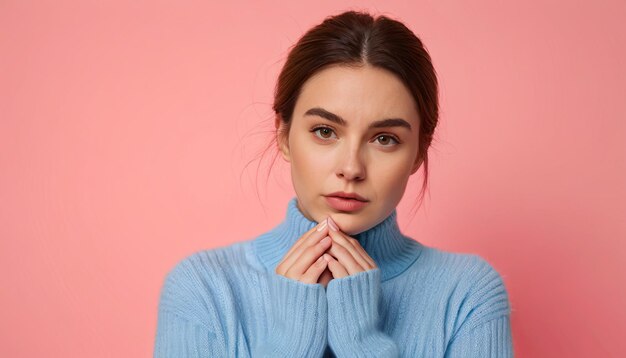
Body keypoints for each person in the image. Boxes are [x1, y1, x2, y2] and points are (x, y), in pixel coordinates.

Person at [154, 9, 513, 357]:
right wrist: (287, 346)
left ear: (420, 151)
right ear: (283, 135)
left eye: (385, 138)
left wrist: (363, 345)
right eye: (325, 131)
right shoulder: (204, 288)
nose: (351, 167)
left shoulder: (468, 294)